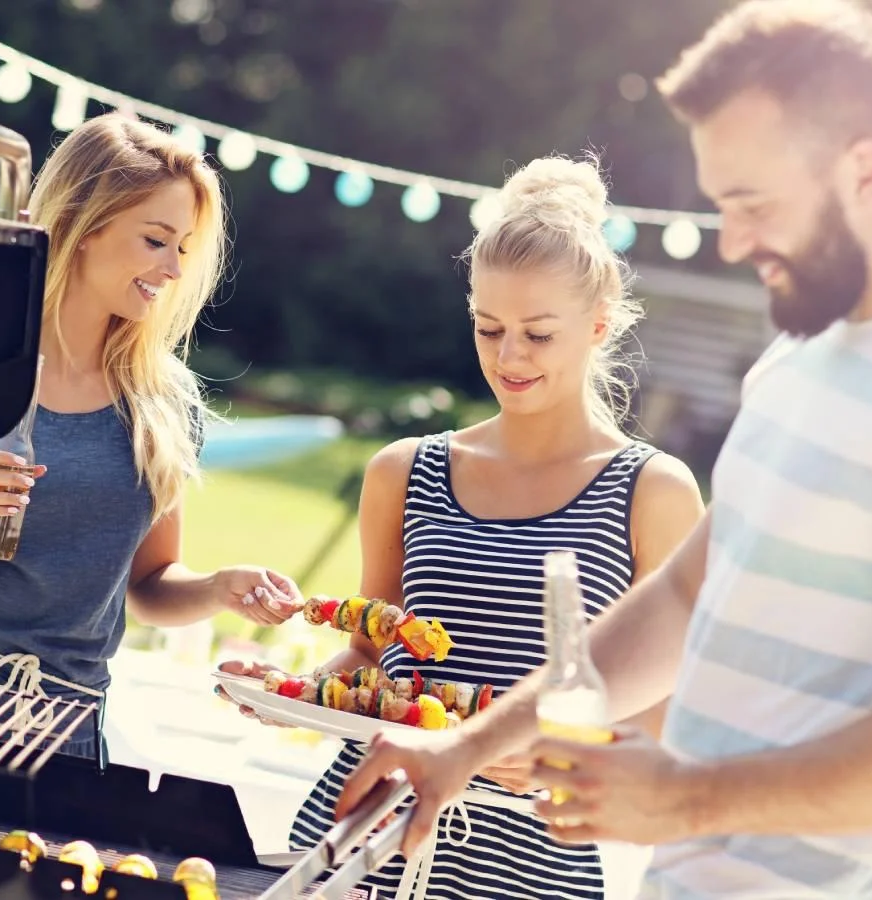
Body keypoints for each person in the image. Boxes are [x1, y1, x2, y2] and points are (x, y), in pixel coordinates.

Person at [336, 2, 872, 898]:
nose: (731, 241)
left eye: (752, 204)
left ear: (866, 172)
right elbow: (688, 590)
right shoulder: (804, 351)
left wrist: (687, 798)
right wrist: (469, 746)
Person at [220, 156, 705, 900]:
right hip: (362, 841)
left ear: (599, 325)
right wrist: (286, 687)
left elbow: (676, 717)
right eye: (489, 328)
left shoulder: (653, 492)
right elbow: (368, 658)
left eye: (538, 335)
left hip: (532, 865)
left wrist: (568, 751)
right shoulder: (403, 472)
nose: (509, 357)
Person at [0, 112, 305, 759]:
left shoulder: (164, 403)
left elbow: (148, 584)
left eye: (183, 248)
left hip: (66, 738)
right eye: (155, 239)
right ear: (86, 225)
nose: (172, 269)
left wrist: (217, 588)